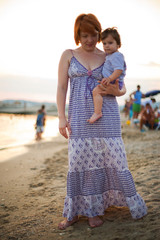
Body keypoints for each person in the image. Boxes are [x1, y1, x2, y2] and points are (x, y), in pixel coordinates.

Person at [57, 13, 147, 230]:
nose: (89, 40)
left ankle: (94, 211)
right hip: (79, 116)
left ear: (99, 34)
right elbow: (61, 87)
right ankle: (75, 211)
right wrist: (61, 117)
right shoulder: (68, 55)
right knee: (78, 162)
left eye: (93, 35)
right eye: (84, 35)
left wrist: (117, 90)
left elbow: (122, 85)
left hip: (106, 117)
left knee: (104, 161)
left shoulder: (107, 55)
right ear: (78, 35)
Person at [88, 27, 126, 123]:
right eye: (104, 43)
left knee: (96, 91)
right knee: (97, 92)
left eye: (110, 43)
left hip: (113, 82)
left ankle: (97, 112)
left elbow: (119, 70)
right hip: (111, 81)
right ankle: (97, 112)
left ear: (118, 44)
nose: (106, 46)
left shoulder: (116, 56)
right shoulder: (110, 56)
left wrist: (109, 78)